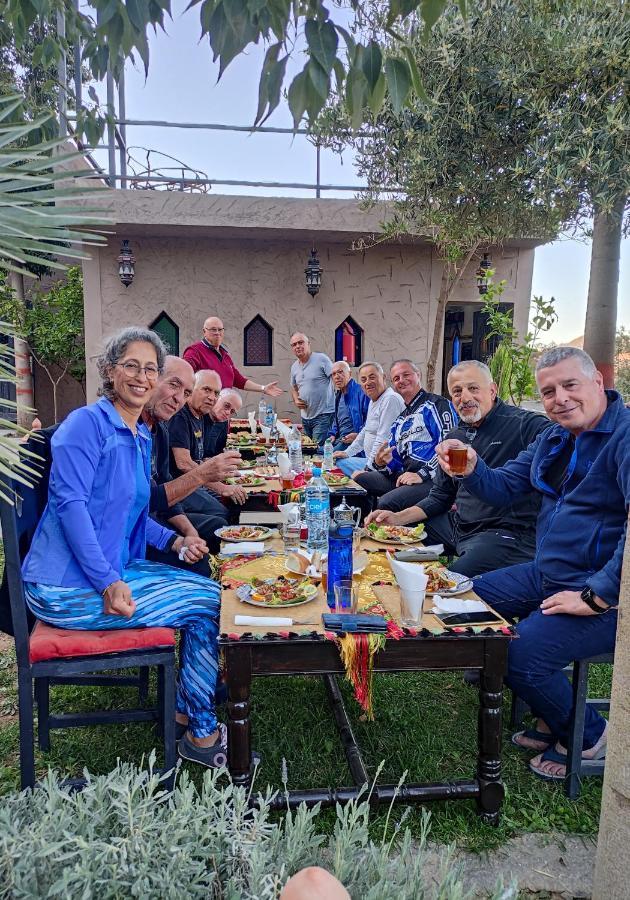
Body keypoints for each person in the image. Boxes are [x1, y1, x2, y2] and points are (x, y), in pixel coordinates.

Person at [21, 326, 229, 768]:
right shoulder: (86, 424)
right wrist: (107, 581)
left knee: (211, 592)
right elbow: (71, 505)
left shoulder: (135, 436)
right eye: (130, 365)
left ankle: (191, 711)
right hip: (65, 590)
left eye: (150, 368)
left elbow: (134, 515)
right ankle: (202, 732)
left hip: (107, 572)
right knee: (210, 602)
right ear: (110, 371)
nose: (141, 376)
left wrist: (174, 541)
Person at [437, 347, 628, 780]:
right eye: (549, 391)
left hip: (605, 594)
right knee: (465, 602)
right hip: (549, 572)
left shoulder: (625, 438)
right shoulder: (555, 437)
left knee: (520, 654)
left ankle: (591, 737)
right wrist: (469, 467)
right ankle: (551, 712)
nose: (560, 398)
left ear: (598, 382)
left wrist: (599, 595)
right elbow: (504, 486)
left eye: (569, 385)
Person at [366, 360, 550, 576]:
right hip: (458, 525)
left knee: (454, 580)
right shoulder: (456, 435)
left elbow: (560, 433)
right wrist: (397, 519)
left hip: (501, 532)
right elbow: (440, 496)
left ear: (492, 390)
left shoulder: (524, 424)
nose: (465, 398)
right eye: (457, 391)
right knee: (391, 544)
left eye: (473, 388)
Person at [141, 356, 242, 558]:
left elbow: (161, 489)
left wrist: (189, 532)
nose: (178, 398)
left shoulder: (160, 429)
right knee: (222, 517)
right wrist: (176, 541)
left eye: (185, 392)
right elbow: (181, 466)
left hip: (159, 513)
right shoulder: (105, 429)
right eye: (173, 385)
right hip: (143, 530)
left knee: (221, 522)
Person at [354, 359, 456, 511]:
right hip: (404, 476)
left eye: (406, 374)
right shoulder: (400, 420)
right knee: (358, 480)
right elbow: (395, 464)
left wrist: (422, 474)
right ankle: (363, 526)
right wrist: (381, 463)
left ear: (418, 375)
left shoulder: (437, 404)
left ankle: (383, 528)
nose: (401, 380)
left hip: (434, 478)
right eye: (396, 378)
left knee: (386, 502)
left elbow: (451, 447)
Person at [168, 373, 247, 516]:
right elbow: (184, 464)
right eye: (206, 390)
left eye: (216, 393)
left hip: (194, 483)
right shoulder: (180, 416)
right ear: (192, 388)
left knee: (238, 503)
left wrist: (222, 471)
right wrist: (221, 487)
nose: (212, 397)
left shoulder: (200, 416)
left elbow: (200, 459)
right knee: (223, 513)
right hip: (178, 485)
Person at [334, 362, 404, 479]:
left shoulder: (390, 399)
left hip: (385, 466)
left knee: (339, 466)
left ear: (383, 377)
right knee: (339, 461)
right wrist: (347, 453)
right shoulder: (374, 400)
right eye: (363, 379)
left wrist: (368, 468)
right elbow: (365, 431)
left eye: (372, 377)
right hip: (370, 461)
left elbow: (383, 439)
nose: (368, 383)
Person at [183, 316, 282, 397]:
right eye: (213, 329)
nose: (217, 333)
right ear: (204, 332)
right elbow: (184, 374)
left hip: (223, 411)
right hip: (203, 413)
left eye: (220, 329)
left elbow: (238, 380)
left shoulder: (225, 355)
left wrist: (263, 388)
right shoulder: (194, 351)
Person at [289, 333, 335, 446]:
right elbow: (294, 387)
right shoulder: (294, 366)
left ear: (308, 344)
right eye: (294, 344)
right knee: (307, 449)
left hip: (324, 415)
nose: (297, 346)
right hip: (305, 417)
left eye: (301, 342)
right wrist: (296, 400)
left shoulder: (321, 359)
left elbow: (336, 377)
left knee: (316, 449)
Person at [328, 360, 369, 451]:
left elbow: (370, 419)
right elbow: (337, 419)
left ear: (349, 373)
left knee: (327, 456)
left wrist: (358, 436)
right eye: (333, 374)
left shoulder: (361, 392)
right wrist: (333, 434)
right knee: (317, 450)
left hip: (355, 442)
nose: (337, 377)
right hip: (340, 439)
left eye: (340, 372)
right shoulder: (339, 395)